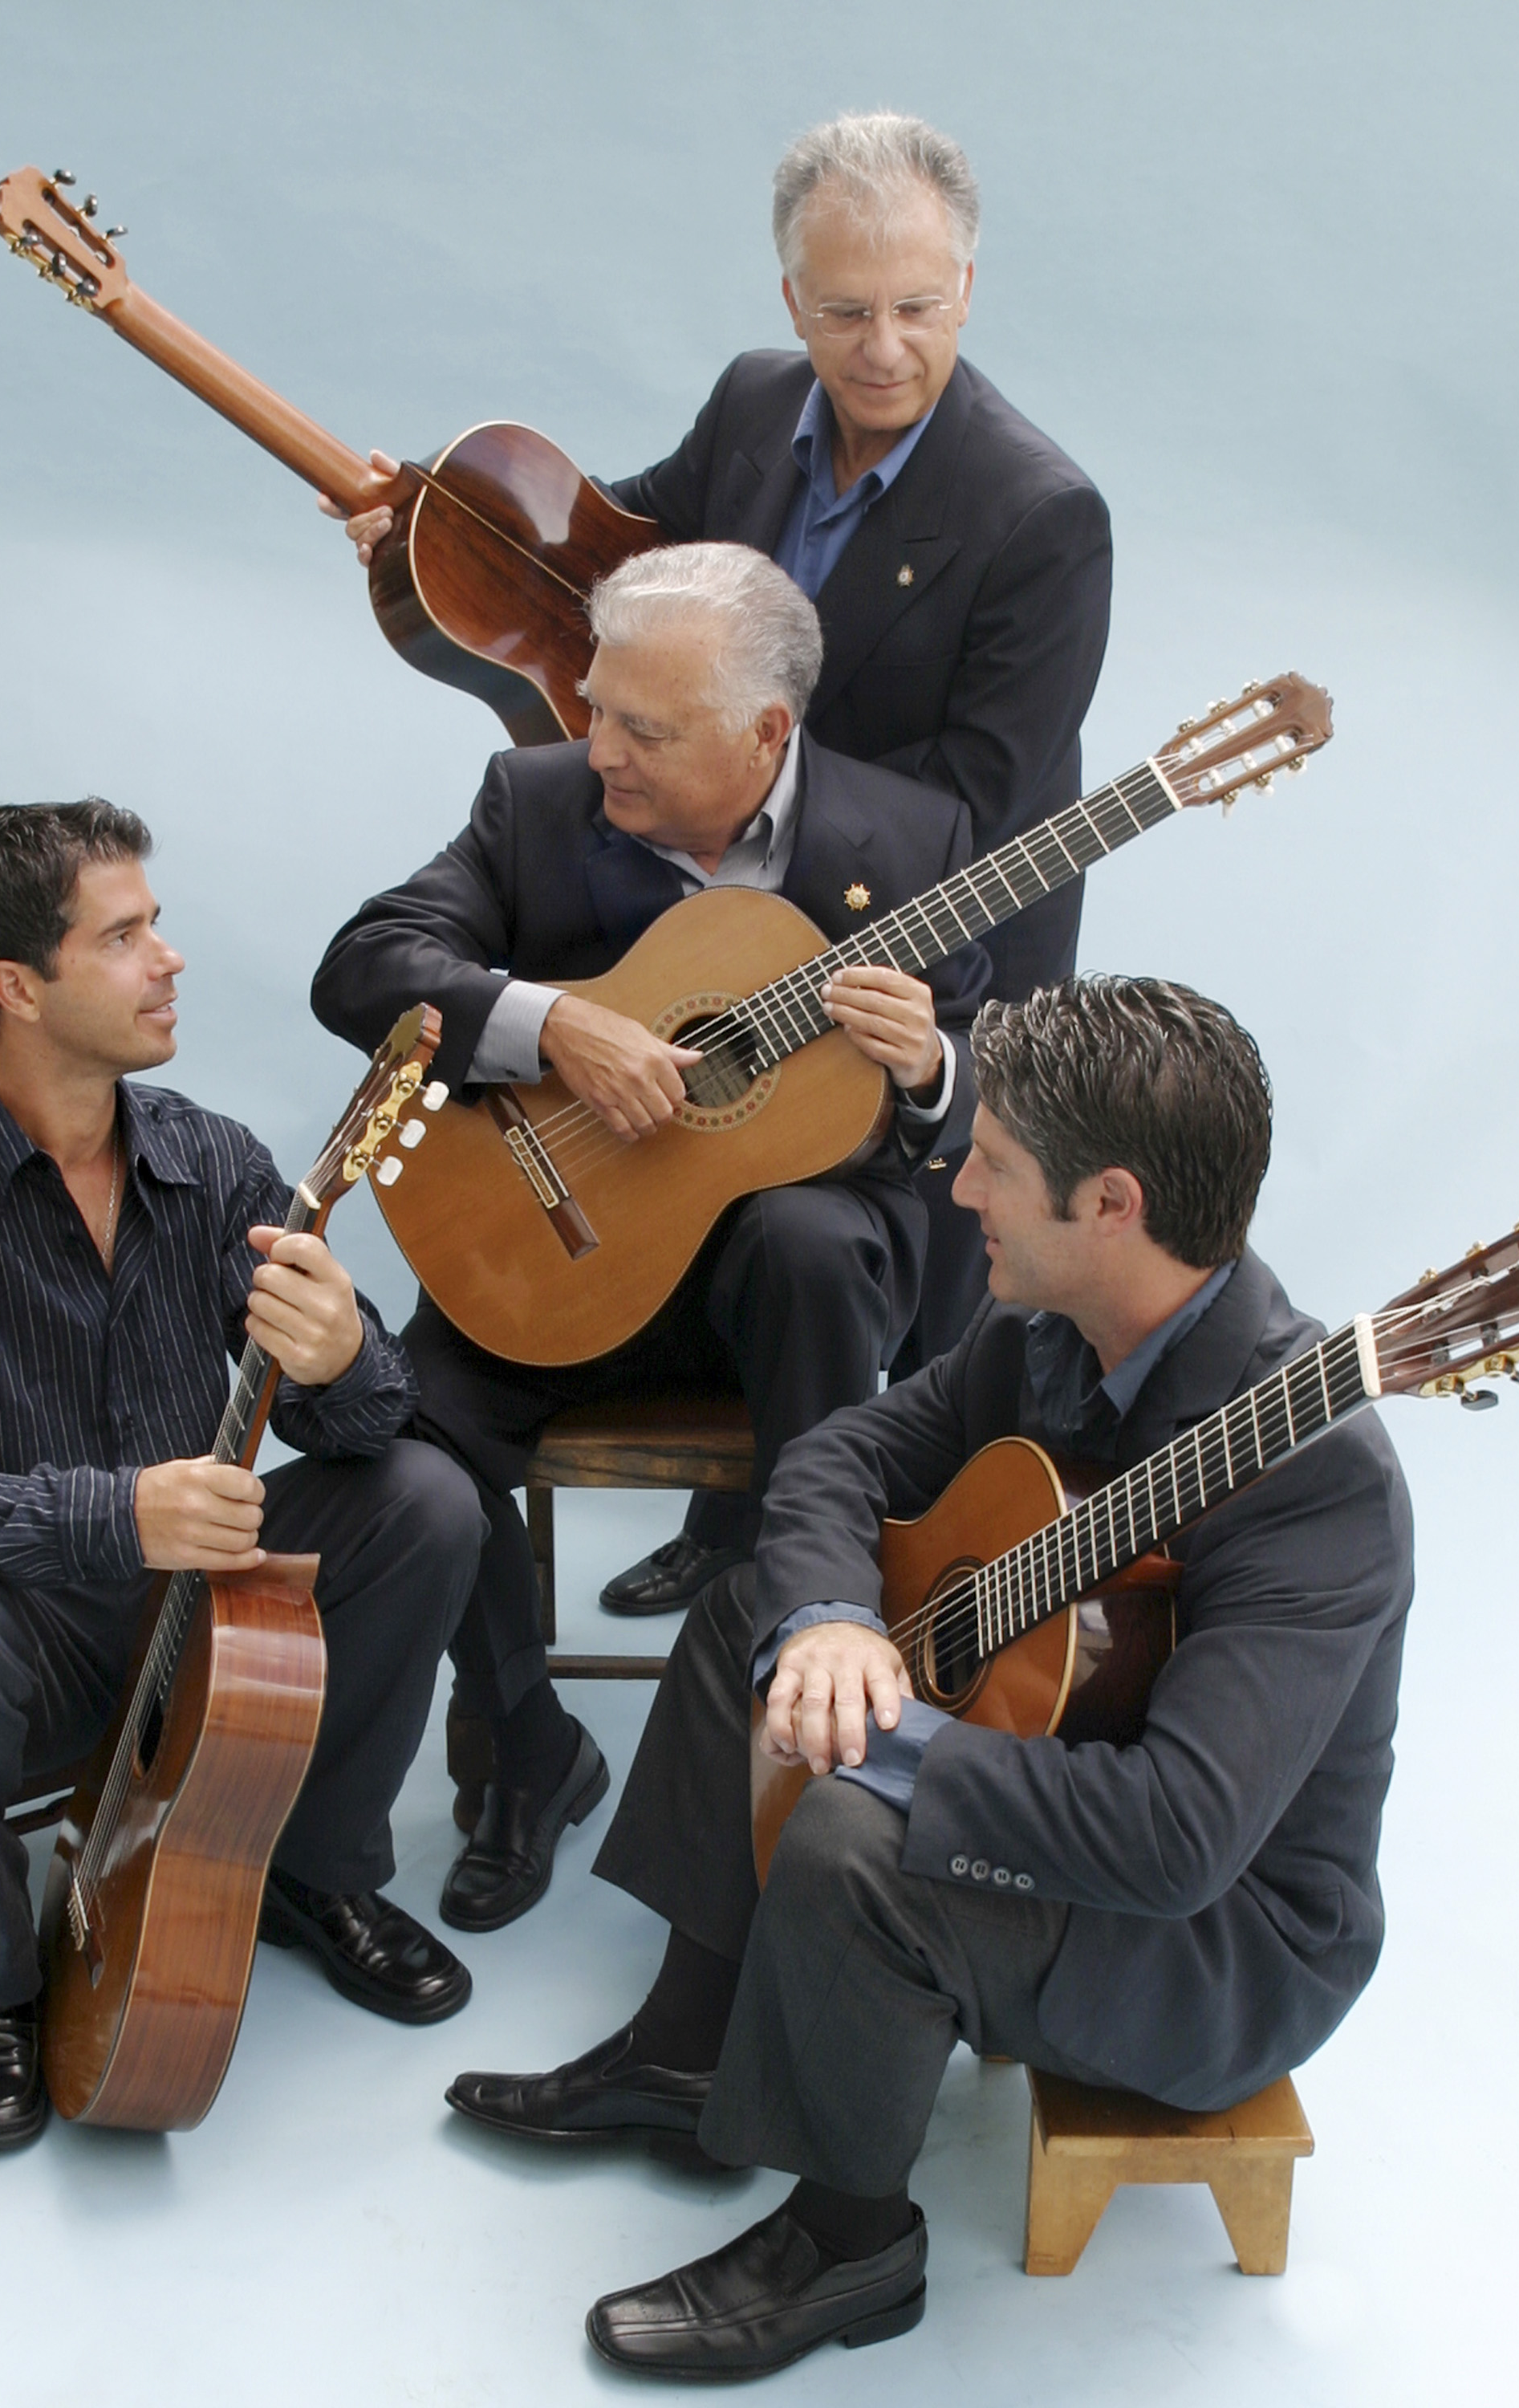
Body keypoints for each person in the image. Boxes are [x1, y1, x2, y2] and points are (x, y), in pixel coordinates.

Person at [442, 976, 1415, 2381]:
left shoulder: (1316, 1477)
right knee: (746, 1627)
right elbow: (846, 1454)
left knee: (856, 1832)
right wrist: (834, 1624)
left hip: (1224, 1944)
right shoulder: (1044, 1330)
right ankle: (689, 2048)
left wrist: (874, 1744)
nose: (958, 1191)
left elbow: (1177, 1838)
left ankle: (852, 2244)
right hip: (1067, 1771)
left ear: (1115, 1206)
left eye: (997, 1166)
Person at [328, 113, 1113, 1602]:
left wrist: (744, 798)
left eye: (918, 307)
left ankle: (794, 1567)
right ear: (787, 304)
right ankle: (717, 1535)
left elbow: (979, 804)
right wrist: (435, 537)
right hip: (706, 879)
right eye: (842, 312)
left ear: (970, 284)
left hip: (913, 906)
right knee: (669, 1183)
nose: (881, 348)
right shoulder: (761, 405)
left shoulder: (1041, 516)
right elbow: (627, 565)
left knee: (816, 1231)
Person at [0, 802, 486, 2154]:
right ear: (16, 989)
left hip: (211, 1629)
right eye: (123, 934)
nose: (168, 958)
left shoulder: (209, 1161)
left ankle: (313, 1870)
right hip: (21, 1648)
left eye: (154, 923)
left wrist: (341, 1357)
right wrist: (111, 1513)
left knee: (429, 1499)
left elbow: (360, 1423)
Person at [311, 543, 990, 1935]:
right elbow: (365, 965)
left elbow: (987, 1098)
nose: (599, 748)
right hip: (562, 1250)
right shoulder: (539, 797)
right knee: (408, 1432)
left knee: (809, 1234)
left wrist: (930, 1066)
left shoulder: (909, 841)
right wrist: (550, 1020)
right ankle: (523, 1749)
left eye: (644, 729)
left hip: (785, 1307)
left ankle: (800, 1712)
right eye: (600, 708)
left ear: (765, 734)